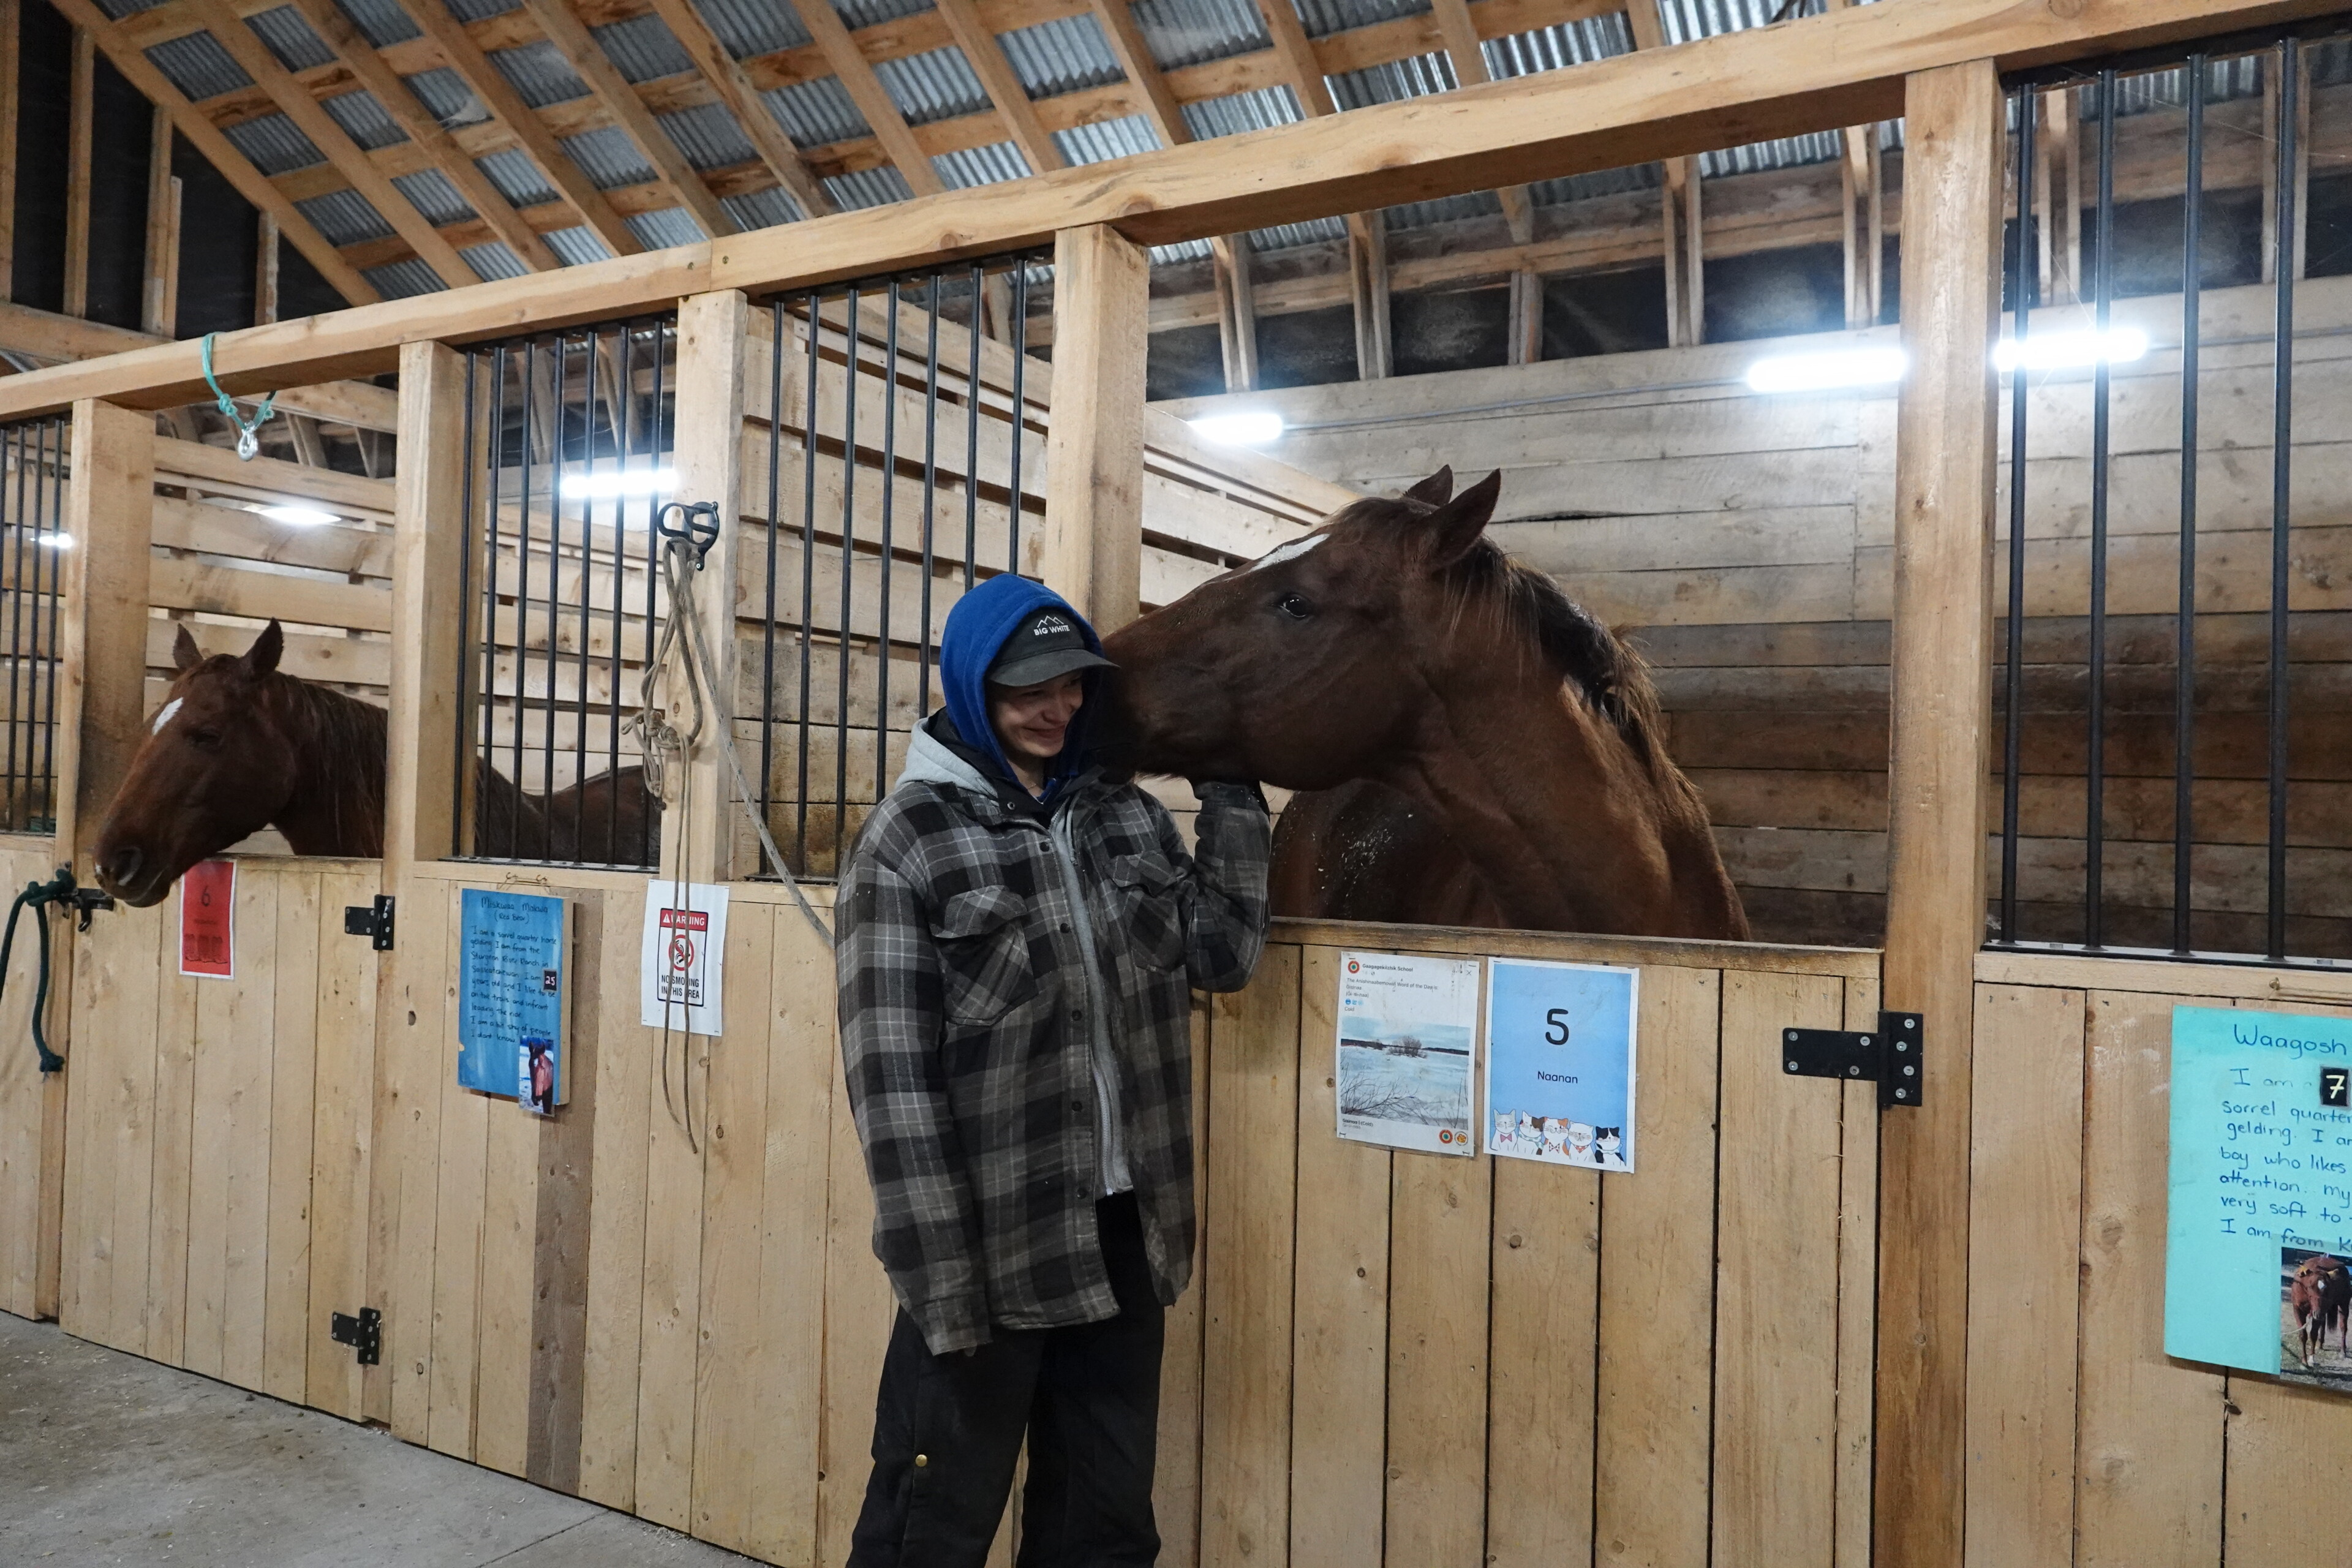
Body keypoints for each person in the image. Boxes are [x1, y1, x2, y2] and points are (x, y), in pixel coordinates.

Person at [835, 573, 1270, 1567]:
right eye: (1028, 687)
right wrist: (942, 1280)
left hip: (1126, 1232)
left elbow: (1222, 952)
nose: (1057, 706)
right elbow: (891, 1084)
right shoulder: (909, 838)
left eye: (1072, 683)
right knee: (928, 1529)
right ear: (971, 684)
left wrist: (1229, 781)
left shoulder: (1127, 816)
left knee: (1104, 1528)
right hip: (989, 1242)